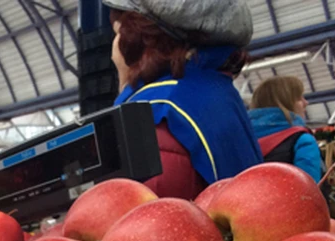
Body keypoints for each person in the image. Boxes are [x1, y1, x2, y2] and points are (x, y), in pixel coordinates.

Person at [104, 0, 263, 200]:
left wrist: (126, 85)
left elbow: (142, 219)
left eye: (118, 33)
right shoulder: (218, 92)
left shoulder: (152, 117)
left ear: (140, 41)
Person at [248, 76, 323, 182]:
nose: (306, 103)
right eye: (299, 98)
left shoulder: (242, 141)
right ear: (286, 103)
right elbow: (309, 188)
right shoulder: (302, 139)